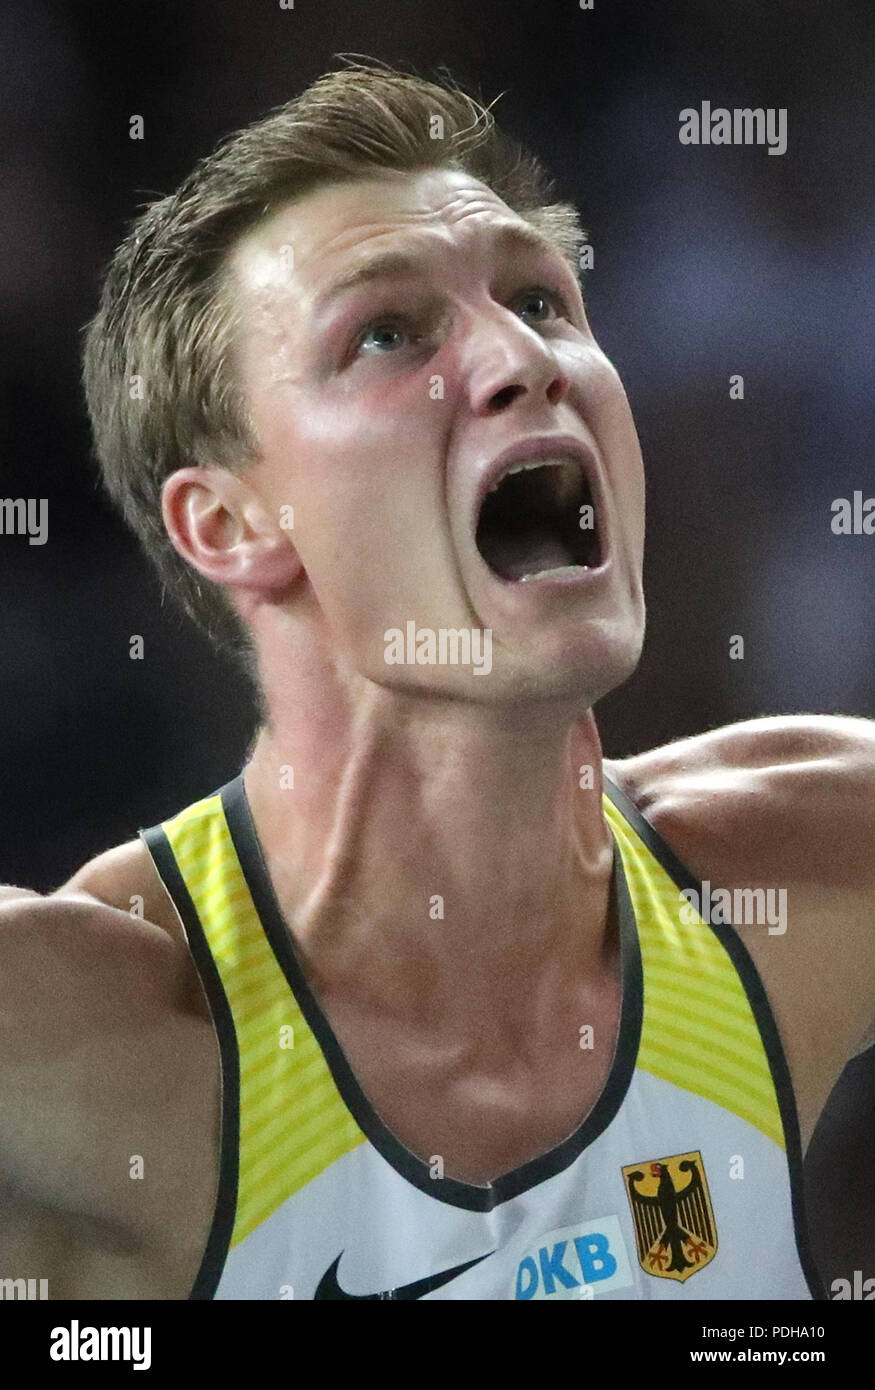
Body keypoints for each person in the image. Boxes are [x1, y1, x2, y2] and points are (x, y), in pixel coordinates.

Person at [1, 61, 872, 1301]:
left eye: (540, 299)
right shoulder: (94, 1031)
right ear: (233, 523)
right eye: (387, 332)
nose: (525, 358)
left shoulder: (809, 863)